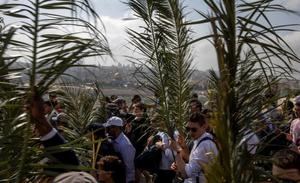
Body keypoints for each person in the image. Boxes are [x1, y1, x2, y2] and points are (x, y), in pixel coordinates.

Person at [171, 112, 218, 183]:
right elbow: (192, 161)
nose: (190, 132)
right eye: (188, 129)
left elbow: (186, 173)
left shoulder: (204, 144)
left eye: (194, 129)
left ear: (204, 126)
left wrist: (177, 151)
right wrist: (182, 147)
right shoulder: (200, 140)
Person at [103, 116, 136, 183]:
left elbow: (129, 167)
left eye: (109, 128)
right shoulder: (113, 139)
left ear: (116, 128)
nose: (107, 131)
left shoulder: (125, 145)